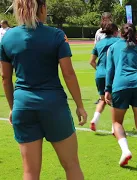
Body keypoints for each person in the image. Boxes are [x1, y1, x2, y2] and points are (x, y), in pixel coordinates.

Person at [0, 0, 87, 179]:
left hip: (23, 106)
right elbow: (68, 74)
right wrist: (79, 105)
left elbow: (5, 78)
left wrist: (13, 107)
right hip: (54, 105)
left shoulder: (7, 37)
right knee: (72, 165)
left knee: (30, 172)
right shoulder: (56, 35)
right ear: (42, 8)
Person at [105, 23, 137, 168]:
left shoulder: (113, 47)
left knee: (117, 122)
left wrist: (107, 89)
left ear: (120, 33)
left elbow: (110, 70)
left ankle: (125, 151)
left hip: (120, 84)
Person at [89, 22, 119, 131]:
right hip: (113, 75)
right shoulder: (118, 41)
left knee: (102, 99)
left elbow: (91, 61)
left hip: (100, 74)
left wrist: (100, 70)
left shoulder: (99, 44)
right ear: (115, 31)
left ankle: (94, 119)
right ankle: (114, 127)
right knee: (115, 101)